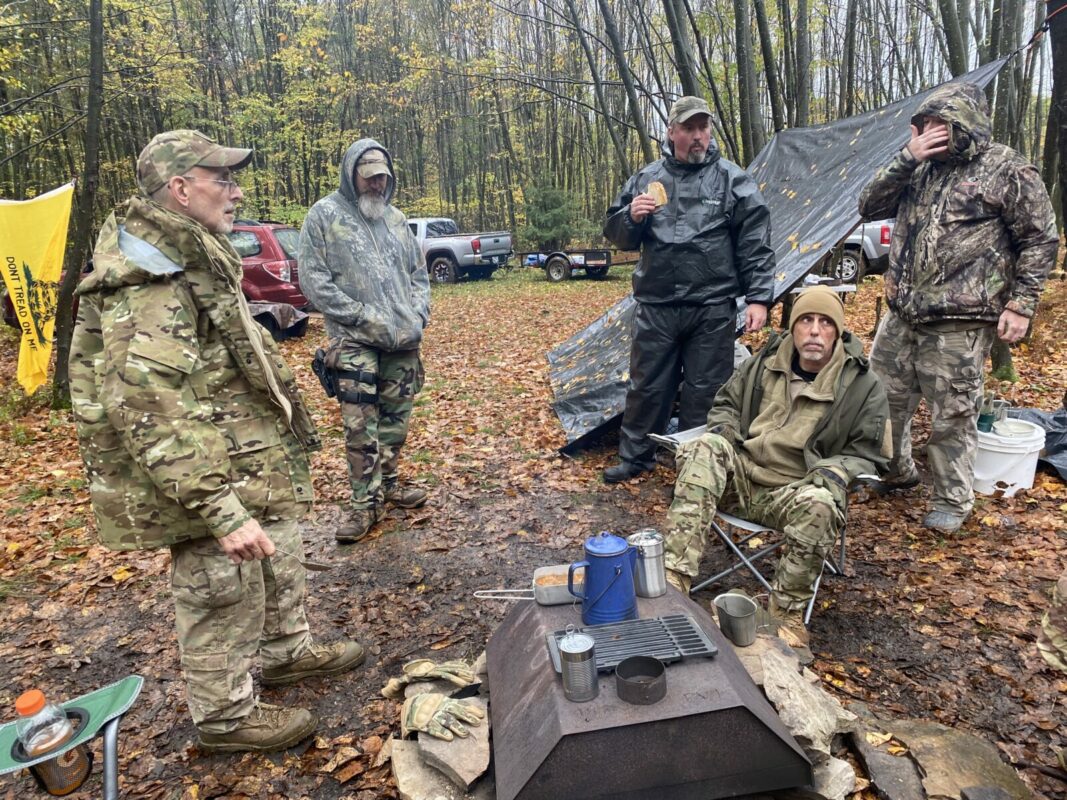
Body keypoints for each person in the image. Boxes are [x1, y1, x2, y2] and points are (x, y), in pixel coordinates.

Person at [68, 130, 365, 753]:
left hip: (243, 449)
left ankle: (288, 652)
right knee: (217, 580)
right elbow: (148, 404)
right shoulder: (148, 274)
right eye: (221, 179)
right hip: (201, 468)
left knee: (278, 548)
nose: (235, 191)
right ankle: (225, 716)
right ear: (180, 188)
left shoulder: (193, 251)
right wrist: (219, 509)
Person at [858, 82, 1057, 534]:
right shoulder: (917, 169)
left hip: (961, 321)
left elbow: (1040, 239)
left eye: (935, 123)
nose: (927, 131)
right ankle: (896, 471)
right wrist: (909, 157)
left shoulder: (1006, 169)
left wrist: (1022, 304)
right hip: (902, 313)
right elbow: (867, 205)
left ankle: (952, 498)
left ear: (961, 122)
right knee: (881, 403)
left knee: (953, 414)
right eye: (921, 123)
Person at [661, 286, 891, 638]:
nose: (815, 331)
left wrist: (835, 471)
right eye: (806, 321)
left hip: (794, 495)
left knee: (821, 504)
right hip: (739, 481)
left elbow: (870, 453)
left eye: (826, 323)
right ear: (793, 327)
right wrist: (725, 435)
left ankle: (785, 618)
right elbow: (725, 405)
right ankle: (672, 580)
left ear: (838, 332)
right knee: (705, 446)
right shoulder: (763, 364)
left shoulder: (862, 385)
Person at [601, 95, 775, 483]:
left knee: (706, 391)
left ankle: (697, 466)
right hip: (657, 304)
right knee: (647, 386)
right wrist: (630, 217)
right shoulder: (646, 179)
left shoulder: (733, 179)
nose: (698, 136)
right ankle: (636, 457)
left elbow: (755, 241)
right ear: (671, 131)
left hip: (712, 306)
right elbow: (618, 235)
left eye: (703, 128)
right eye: (689, 128)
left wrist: (760, 297)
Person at [300, 139, 430, 543]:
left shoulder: (396, 220)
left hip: (402, 341)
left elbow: (418, 276)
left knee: (395, 421)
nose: (377, 184)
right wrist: (360, 316)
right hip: (354, 340)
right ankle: (364, 504)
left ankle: (388, 485)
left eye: (382, 177)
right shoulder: (324, 216)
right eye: (370, 176)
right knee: (360, 427)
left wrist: (418, 316)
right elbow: (313, 281)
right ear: (352, 172)